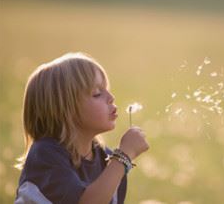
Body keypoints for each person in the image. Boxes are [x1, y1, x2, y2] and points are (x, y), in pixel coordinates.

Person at [15, 52, 149, 204]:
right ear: (65, 110)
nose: (111, 97)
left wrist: (119, 161)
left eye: (106, 89)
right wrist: (123, 156)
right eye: (97, 94)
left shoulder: (107, 159)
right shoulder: (45, 154)